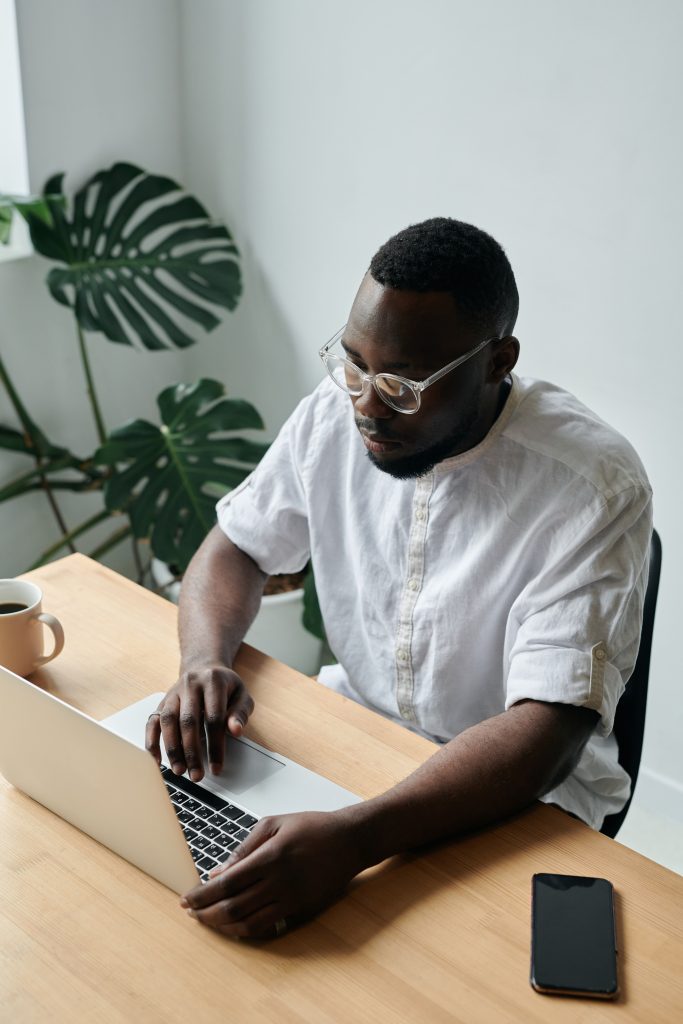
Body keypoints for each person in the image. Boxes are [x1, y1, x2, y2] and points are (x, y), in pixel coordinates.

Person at [146, 217, 652, 940]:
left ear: (495, 361)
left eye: (404, 384)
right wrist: (203, 661)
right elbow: (235, 547)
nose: (365, 405)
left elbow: (547, 732)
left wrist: (354, 839)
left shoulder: (589, 484)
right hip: (356, 737)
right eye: (352, 365)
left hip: (514, 798)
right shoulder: (336, 412)